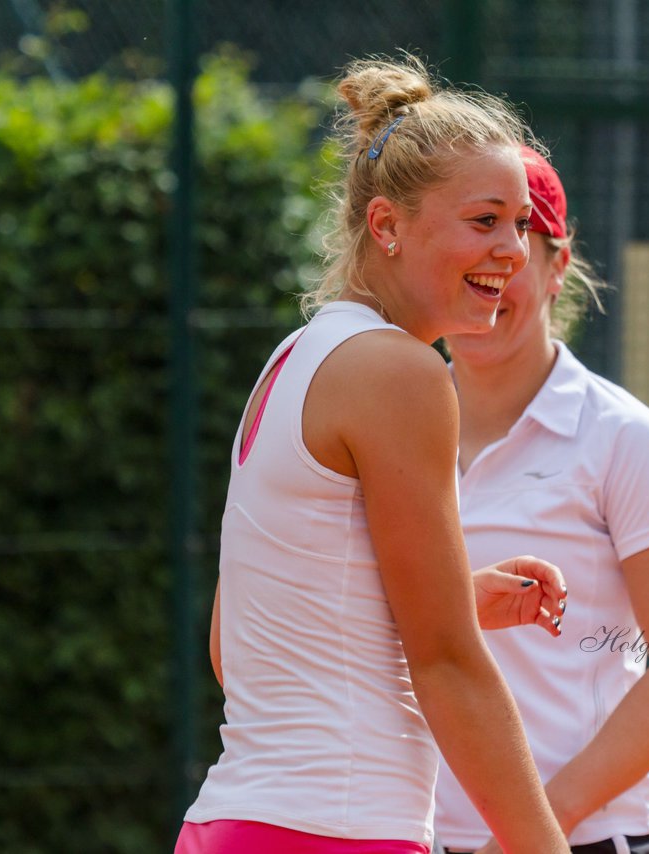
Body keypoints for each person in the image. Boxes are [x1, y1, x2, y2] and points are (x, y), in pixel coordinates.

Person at [176, 57, 572, 854]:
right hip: (332, 835)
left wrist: (454, 600)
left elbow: (235, 642)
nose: (511, 250)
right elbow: (449, 666)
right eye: (484, 220)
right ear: (387, 226)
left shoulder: (294, 358)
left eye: (522, 225)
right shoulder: (403, 372)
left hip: (231, 827)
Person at [433, 147, 649, 854]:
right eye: (470, 259)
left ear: (559, 266)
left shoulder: (624, 439)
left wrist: (532, 828)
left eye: (514, 254)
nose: (489, 282)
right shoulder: (385, 425)